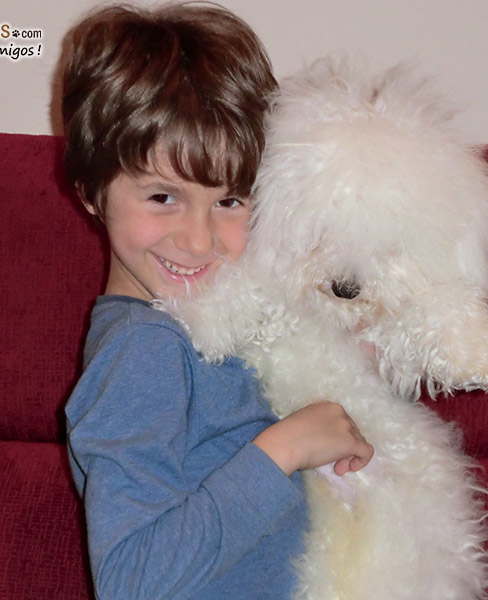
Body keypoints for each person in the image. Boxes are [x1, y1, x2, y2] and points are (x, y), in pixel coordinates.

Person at [60, 4, 374, 599]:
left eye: (230, 201)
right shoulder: (141, 352)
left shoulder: (214, 320)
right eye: (163, 197)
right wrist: (283, 449)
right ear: (92, 193)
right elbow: (129, 582)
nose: (200, 240)